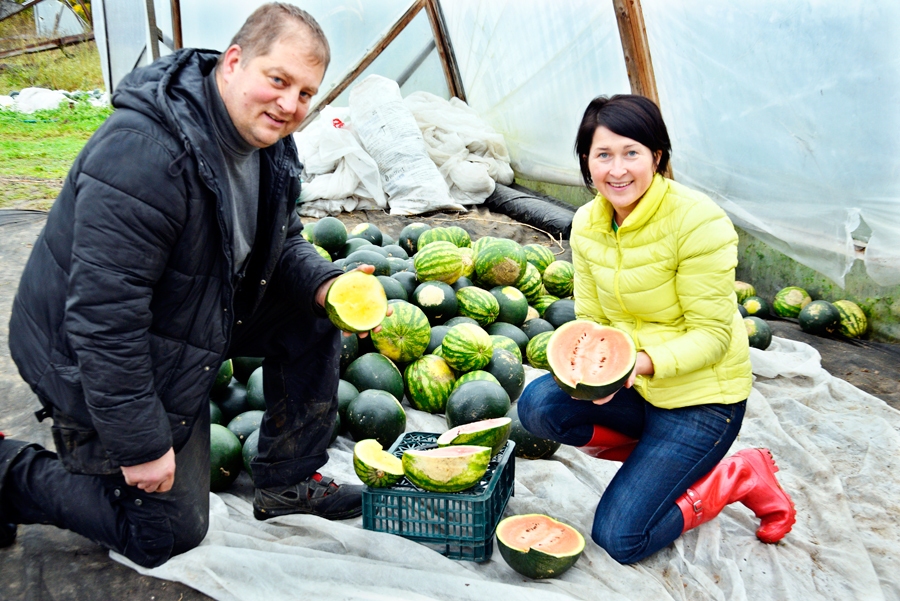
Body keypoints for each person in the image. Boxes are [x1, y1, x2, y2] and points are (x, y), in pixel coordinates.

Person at [0, 3, 376, 569]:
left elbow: (282, 239)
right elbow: (104, 320)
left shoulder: (268, 142)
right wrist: (143, 445)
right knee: (164, 534)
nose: (290, 105)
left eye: (305, 93)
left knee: (311, 312)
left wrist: (325, 284)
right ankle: (8, 472)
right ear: (234, 62)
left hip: (189, 313)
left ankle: (287, 481)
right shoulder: (145, 156)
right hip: (83, 352)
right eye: (278, 80)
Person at [517, 94, 796, 564]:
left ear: (657, 156)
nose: (617, 170)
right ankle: (661, 461)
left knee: (620, 539)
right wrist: (593, 373)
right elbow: (591, 319)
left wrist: (636, 366)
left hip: (701, 401)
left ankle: (736, 475)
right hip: (638, 391)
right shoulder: (587, 223)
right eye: (603, 155)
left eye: (631, 153)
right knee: (538, 405)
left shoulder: (698, 222)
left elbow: (713, 336)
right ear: (586, 161)